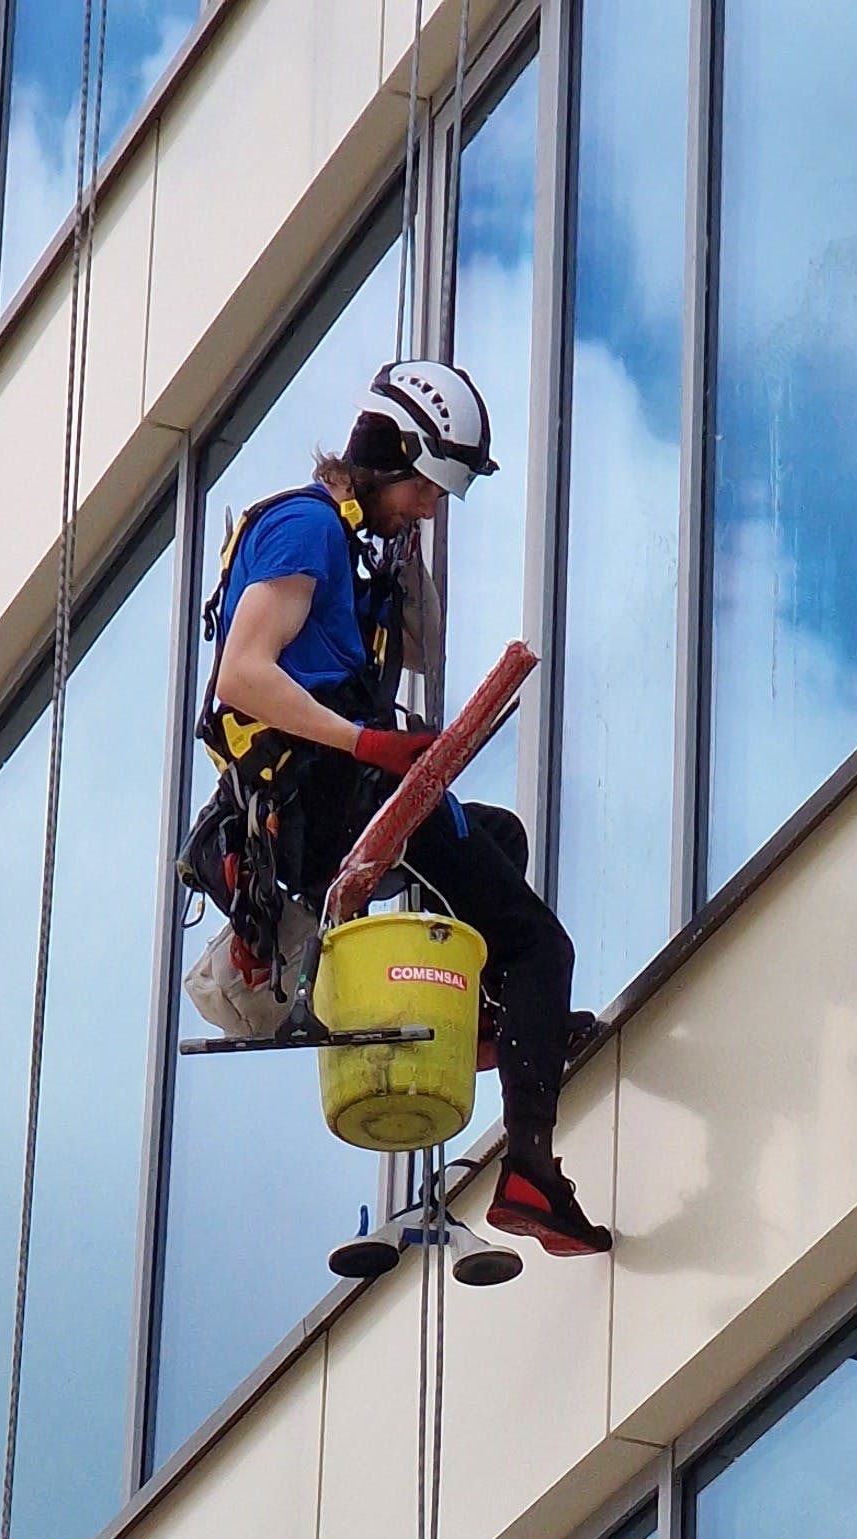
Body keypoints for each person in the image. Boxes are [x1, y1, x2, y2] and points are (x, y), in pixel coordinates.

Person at [196, 356, 611, 1262]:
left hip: (333, 797)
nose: (432, 507)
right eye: (427, 487)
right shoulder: (306, 528)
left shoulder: (353, 546)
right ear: (390, 454)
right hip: (327, 795)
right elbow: (242, 675)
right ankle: (533, 1172)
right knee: (545, 944)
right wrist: (367, 744)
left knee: (499, 840)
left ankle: (498, 1021)